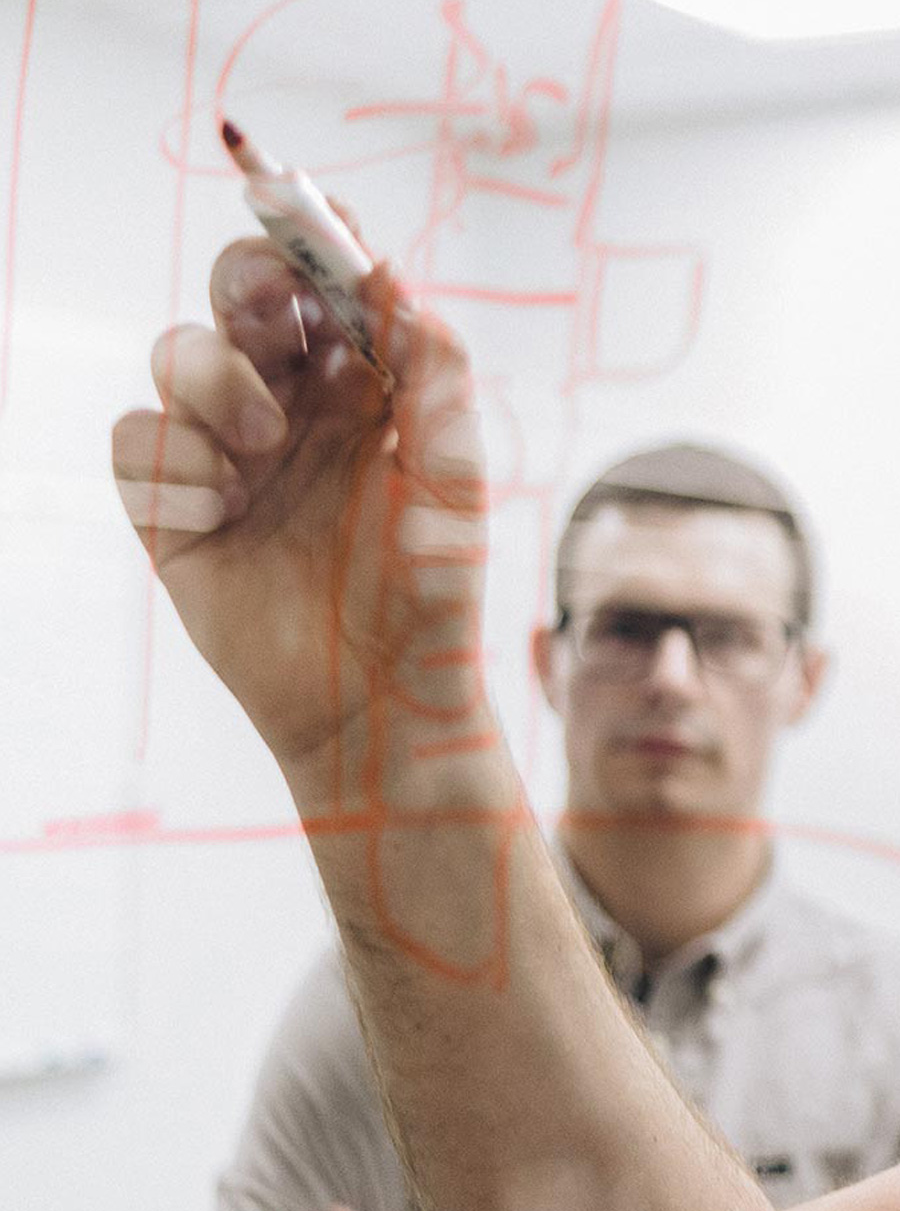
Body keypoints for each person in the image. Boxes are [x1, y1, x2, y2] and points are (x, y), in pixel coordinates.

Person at [113, 234, 900, 1211]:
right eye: (629, 626)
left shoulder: (887, 1014)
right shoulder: (375, 1006)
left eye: (726, 636)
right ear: (547, 662)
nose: (671, 678)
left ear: (805, 677)